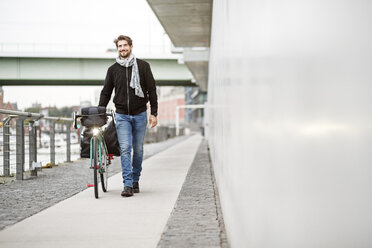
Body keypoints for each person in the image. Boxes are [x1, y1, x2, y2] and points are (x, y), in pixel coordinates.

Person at [99, 35, 158, 197]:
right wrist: (100, 110)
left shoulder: (143, 66)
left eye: (125, 45)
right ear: (117, 48)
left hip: (140, 114)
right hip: (122, 115)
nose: (122, 48)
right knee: (125, 149)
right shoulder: (112, 70)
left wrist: (154, 113)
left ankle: (135, 179)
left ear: (131, 47)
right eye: (120, 46)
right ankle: (127, 184)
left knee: (138, 150)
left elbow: (152, 90)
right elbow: (106, 92)